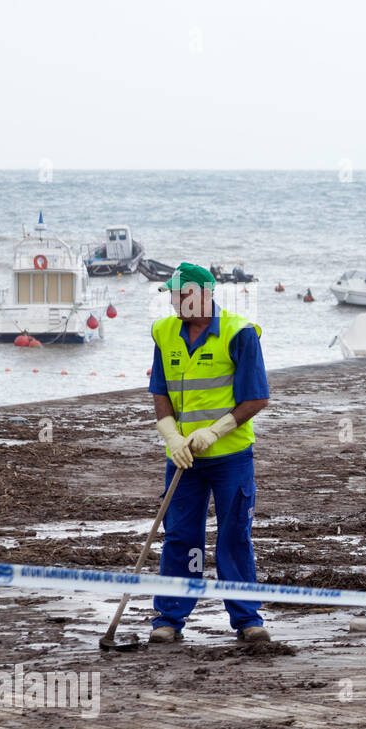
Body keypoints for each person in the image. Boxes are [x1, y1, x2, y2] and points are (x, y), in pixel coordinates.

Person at [148, 262, 271, 644]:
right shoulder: (165, 332)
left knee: (234, 536)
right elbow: (160, 392)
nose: (174, 301)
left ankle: (247, 619)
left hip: (230, 456)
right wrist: (171, 435)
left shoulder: (239, 333)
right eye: (172, 294)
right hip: (184, 458)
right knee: (181, 537)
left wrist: (215, 431)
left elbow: (256, 398)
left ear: (204, 295)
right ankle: (169, 619)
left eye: (181, 294)